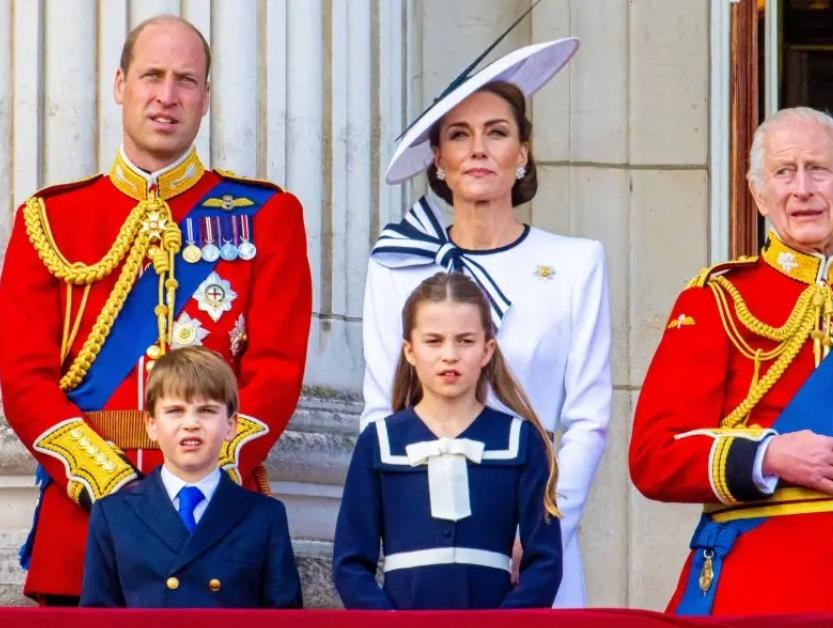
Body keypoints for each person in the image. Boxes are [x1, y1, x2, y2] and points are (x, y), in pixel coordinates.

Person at [0, 15, 311, 604]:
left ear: (206, 98)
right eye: (152, 76)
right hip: (85, 522)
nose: (167, 97)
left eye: (186, 81)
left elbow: (276, 370)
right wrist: (112, 485)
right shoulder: (48, 220)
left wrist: (192, 478)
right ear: (120, 85)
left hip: (214, 528)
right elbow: (22, 378)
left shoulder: (268, 215)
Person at [362, 37, 608, 607]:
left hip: (534, 530)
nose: (478, 149)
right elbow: (380, 412)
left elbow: (589, 418)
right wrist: (404, 525)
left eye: (496, 132)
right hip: (426, 541)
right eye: (458, 135)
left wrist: (544, 529)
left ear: (522, 152)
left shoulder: (577, 263)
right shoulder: (398, 265)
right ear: (438, 162)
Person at [629, 107, 833, 616]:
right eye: (784, 173)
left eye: (818, 169)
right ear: (759, 195)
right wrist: (769, 457)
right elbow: (654, 456)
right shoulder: (717, 300)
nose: (802, 188)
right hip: (762, 586)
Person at [335, 272, 562, 609]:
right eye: (434, 341)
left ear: (487, 350)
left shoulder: (521, 439)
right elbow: (350, 563)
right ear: (410, 351)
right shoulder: (380, 441)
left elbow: (545, 561)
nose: (450, 355)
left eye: (465, 341)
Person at [79, 347, 302, 608]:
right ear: (151, 425)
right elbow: (98, 616)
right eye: (175, 411)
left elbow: (285, 617)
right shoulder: (114, 514)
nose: (191, 423)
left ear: (231, 425)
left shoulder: (264, 517)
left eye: (206, 411)